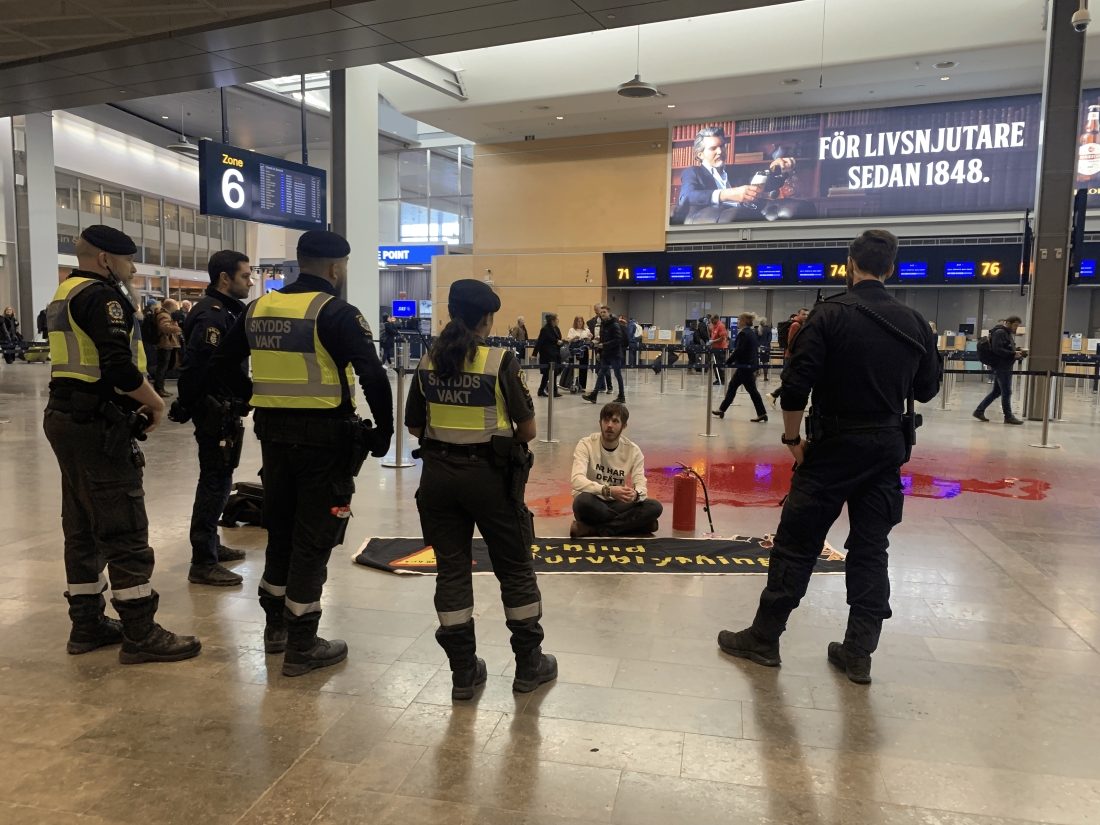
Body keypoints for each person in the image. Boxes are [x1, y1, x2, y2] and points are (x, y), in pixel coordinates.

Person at [717, 229, 941, 685]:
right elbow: (926, 390)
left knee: (797, 544)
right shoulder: (914, 322)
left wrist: (793, 441)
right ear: (891, 268)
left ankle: (765, 638)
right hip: (885, 450)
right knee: (870, 549)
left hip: (833, 447)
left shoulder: (828, 315)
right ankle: (858, 652)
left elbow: (796, 388)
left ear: (849, 263)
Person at [208, 230, 394, 676]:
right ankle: (303, 644)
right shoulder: (337, 312)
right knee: (314, 540)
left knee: (282, 531)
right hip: (325, 443)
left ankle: (276, 630)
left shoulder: (259, 307)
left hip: (273, 439)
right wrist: (384, 434)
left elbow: (220, 362)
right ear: (335, 268)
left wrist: (249, 396)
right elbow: (371, 374)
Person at [43, 225, 200, 664]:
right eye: (129, 261)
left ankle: (87, 624)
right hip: (97, 422)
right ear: (107, 259)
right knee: (124, 525)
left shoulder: (64, 293)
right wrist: (155, 404)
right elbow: (117, 367)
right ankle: (139, 631)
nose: (132, 269)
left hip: (65, 416)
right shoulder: (103, 296)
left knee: (81, 525)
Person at [405, 278, 556, 700]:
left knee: (451, 572)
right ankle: (529, 666)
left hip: (437, 479)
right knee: (514, 569)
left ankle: (463, 673)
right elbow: (527, 430)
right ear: (487, 319)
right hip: (491, 481)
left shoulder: (427, 360)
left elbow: (414, 425)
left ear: (452, 313)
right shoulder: (499, 361)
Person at [175, 249, 254, 587]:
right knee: (214, 481)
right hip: (214, 409)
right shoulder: (213, 315)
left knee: (220, 478)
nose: (250, 282)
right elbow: (200, 366)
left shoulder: (224, 312)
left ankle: (211, 546)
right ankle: (203, 561)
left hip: (222, 406)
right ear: (225, 278)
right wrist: (189, 402)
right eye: (245, 276)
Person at [570, 402, 663, 538]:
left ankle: (595, 529)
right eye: (606, 420)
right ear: (600, 422)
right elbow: (576, 480)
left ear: (623, 426)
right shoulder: (586, 444)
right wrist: (608, 490)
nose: (609, 425)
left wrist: (636, 495)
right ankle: (635, 525)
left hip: (618, 503)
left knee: (654, 507)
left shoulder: (633, 451)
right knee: (581, 502)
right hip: (593, 502)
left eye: (615, 421)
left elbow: (641, 486)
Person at [671, 126, 796, 225]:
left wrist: (778, 170)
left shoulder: (734, 171)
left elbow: (763, 185)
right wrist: (728, 194)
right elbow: (686, 196)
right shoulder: (693, 172)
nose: (720, 151)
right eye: (713, 148)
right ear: (700, 154)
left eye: (722, 146)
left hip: (747, 216)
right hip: (723, 221)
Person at [712, 312, 769, 422]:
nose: (737, 322)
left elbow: (739, 350)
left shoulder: (744, 334)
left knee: (750, 391)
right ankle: (722, 410)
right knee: (734, 387)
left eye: (739, 320)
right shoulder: (751, 332)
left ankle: (762, 413)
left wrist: (728, 362)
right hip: (747, 366)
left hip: (745, 367)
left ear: (744, 321)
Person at [973, 316, 1026, 425]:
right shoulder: (1000, 332)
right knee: (1006, 391)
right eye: (1015, 325)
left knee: (997, 392)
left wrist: (1017, 351)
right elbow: (997, 349)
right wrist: (1013, 354)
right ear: (1008, 323)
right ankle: (1008, 416)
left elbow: (1005, 347)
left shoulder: (1006, 333)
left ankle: (979, 411)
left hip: (1004, 365)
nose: (1016, 328)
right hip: (1002, 366)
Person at [767, 308, 809, 406]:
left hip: (793, 356)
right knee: (790, 380)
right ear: (798, 314)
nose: (806, 316)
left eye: (807, 314)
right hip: (792, 357)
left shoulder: (800, 325)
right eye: (803, 314)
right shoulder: (796, 325)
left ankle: (774, 395)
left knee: (791, 380)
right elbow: (791, 343)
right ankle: (775, 395)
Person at [583, 306, 625, 404]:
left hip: (615, 354)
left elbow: (618, 339)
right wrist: (599, 351)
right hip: (606, 354)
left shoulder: (614, 324)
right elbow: (602, 339)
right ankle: (594, 395)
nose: (602, 314)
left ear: (609, 313)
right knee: (601, 374)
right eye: (601, 312)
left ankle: (622, 396)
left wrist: (604, 345)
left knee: (618, 374)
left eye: (604, 312)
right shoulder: (603, 324)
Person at [152, 298, 182, 398]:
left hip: (166, 343)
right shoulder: (164, 315)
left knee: (164, 367)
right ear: (170, 306)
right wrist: (177, 328)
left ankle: (160, 388)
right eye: (175, 306)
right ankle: (159, 389)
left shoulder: (164, 314)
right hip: (164, 344)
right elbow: (164, 327)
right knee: (162, 367)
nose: (176, 308)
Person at [535, 312, 563, 397]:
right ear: (552, 321)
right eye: (557, 319)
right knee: (549, 373)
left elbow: (558, 338)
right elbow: (540, 342)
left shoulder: (556, 329)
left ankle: (543, 390)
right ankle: (551, 391)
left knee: (552, 373)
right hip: (547, 354)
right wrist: (534, 353)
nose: (558, 321)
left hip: (555, 354)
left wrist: (560, 342)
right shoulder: (545, 329)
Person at [564, 315, 591, 391]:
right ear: (575, 322)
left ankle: (582, 386)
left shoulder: (587, 330)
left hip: (584, 350)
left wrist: (589, 337)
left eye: (581, 321)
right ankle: (572, 384)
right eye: (578, 321)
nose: (580, 323)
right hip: (574, 351)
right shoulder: (572, 330)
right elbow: (568, 340)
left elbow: (589, 340)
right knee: (574, 368)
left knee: (583, 368)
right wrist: (574, 338)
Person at [709, 314, 729, 385]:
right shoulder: (714, 326)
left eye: (712, 320)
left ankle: (722, 380)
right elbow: (713, 336)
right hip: (715, 348)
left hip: (721, 348)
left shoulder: (721, 326)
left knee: (720, 364)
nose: (711, 322)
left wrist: (713, 341)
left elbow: (722, 338)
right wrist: (711, 341)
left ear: (717, 319)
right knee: (715, 364)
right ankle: (718, 379)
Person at [757, 316, 773, 381]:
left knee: (756, 362)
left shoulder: (757, 329)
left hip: (758, 348)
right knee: (765, 362)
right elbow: (769, 340)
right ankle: (765, 377)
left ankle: (755, 376)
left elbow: (755, 339)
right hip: (766, 348)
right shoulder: (768, 329)